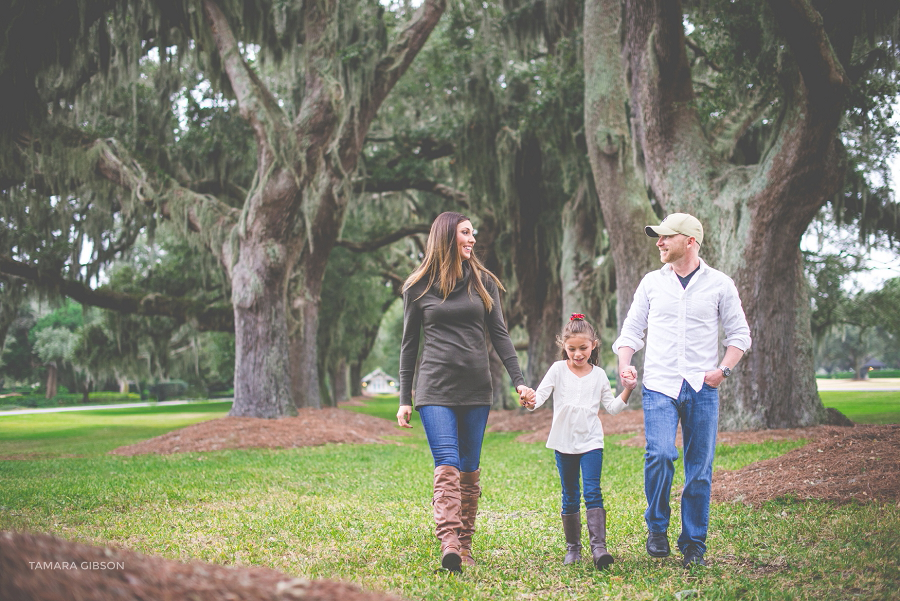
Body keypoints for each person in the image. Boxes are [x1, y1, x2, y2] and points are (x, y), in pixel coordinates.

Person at [396, 211, 536, 573]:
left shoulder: (484, 283)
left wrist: (518, 380)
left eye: (472, 234)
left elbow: (501, 335)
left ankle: (466, 545)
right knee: (447, 464)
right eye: (465, 233)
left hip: (476, 389)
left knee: (469, 470)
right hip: (435, 389)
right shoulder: (418, 287)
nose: (472, 239)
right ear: (446, 237)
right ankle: (449, 543)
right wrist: (403, 399)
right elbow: (409, 345)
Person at [613, 213, 751, 568]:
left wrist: (722, 370)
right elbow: (631, 332)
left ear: (690, 241)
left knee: (699, 470)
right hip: (658, 385)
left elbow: (740, 336)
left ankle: (693, 545)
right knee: (660, 454)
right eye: (657, 238)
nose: (658, 243)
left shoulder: (720, 284)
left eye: (665, 237)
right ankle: (656, 528)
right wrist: (625, 364)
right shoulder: (650, 283)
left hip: (702, 388)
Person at [522, 314, 637, 569]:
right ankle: (573, 549)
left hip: (591, 442)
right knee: (570, 494)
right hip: (563, 443)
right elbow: (538, 399)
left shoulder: (598, 376)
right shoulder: (557, 370)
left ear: (593, 345)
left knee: (593, 491)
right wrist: (528, 399)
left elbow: (612, 407)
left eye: (583, 348)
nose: (577, 354)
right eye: (571, 348)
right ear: (564, 346)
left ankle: (599, 549)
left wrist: (628, 388)